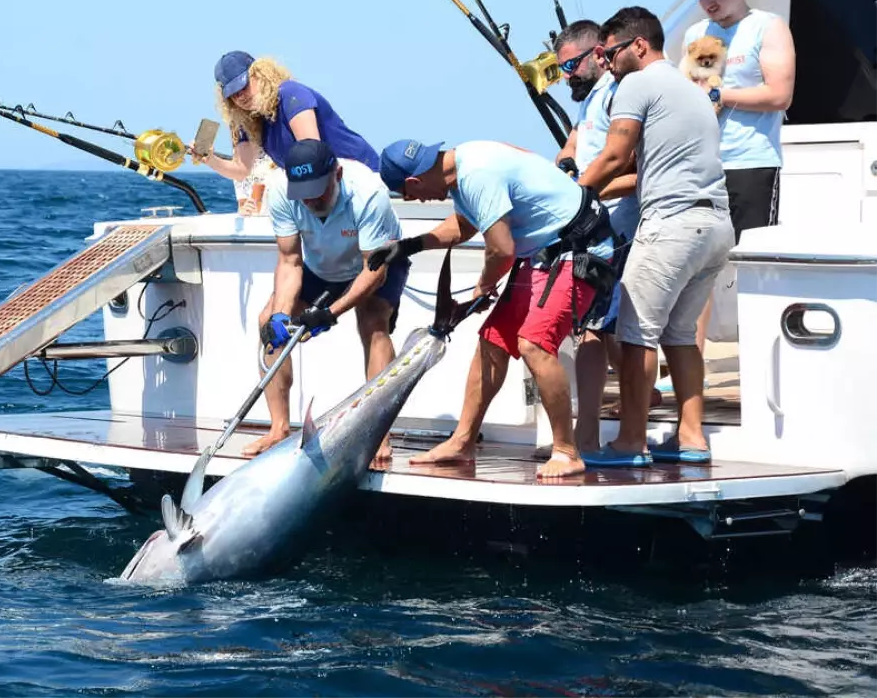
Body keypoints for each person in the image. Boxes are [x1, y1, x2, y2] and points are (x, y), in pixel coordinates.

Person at [369, 139, 619, 479]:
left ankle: (566, 451)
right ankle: (462, 442)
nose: (418, 201)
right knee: (493, 341)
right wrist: (408, 246)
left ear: (413, 182)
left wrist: (483, 286)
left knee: (533, 343)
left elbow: (501, 250)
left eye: (411, 195)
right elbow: (462, 226)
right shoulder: (462, 166)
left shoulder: (476, 176)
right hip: (545, 253)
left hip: (580, 250)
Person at [577, 6, 734, 466]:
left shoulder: (639, 83)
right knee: (680, 335)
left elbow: (614, 156)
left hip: (671, 223)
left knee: (636, 333)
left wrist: (572, 202)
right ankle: (691, 439)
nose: (605, 61)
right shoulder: (690, 90)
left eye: (610, 51)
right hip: (715, 224)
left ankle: (630, 441)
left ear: (638, 46)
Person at [251, 138, 408, 461]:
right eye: (303, 192)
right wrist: (282, 316)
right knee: (269, 322)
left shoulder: (368, 192)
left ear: (336, 174)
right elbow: (291, 260)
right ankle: (279, 427)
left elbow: (373, 271)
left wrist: (329, 314)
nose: (310, 199)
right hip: (321, 266)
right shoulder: (280, 190)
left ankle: (379, 435)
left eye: (318, 189)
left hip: (376, 262)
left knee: (373, 322)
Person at [682, 0, 796, 356]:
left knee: (753, 269)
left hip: (752, 163)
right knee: (696, 270)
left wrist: (719, 93)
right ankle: (687, 369)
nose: (708, 1)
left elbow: (779, 95)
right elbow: (697, 96)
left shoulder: (767, 27)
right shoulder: (699, 35)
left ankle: (760, 365)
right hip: (707, 167)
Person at [553, 19, 658, 453]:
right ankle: (613, 417)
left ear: (599, 54)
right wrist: (563, 171)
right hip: (594, 224)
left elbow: (631, 166)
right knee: (602, 326)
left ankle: (587, 437)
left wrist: (582, 193)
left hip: (618, 228)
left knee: (594, 328)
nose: (566, 76)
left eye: (572, 65)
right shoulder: (589, 99)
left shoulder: (618, 95)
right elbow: (573, 147)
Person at [189, 51, 380, 188]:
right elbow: (242, 170)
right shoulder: (247, 120)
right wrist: (210, 160)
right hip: (324, 187)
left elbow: (312, 153)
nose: (241, 97)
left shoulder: (291, 94)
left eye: (244, 87)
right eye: (233, 94)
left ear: (260, 75)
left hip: (363, 178)